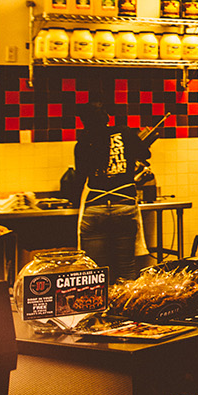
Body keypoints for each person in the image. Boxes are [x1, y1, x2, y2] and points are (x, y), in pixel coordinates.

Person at [72, 99, 152, 280]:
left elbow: (79, 179)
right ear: (107, 117)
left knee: (96, 272)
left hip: (95, 209)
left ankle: (100, 307)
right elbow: (145, 154)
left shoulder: (83, 143)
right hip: (124, 207)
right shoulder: (124, 132)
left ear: (84, 121)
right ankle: (126, 306)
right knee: (126, 270)